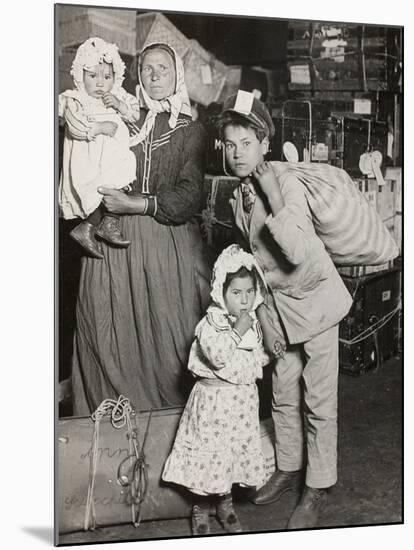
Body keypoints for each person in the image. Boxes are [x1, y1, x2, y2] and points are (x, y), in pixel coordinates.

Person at [217, 91, 353, 530]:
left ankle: (318, 485)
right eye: (230, 144)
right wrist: (261, 319)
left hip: (315, 303)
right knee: (281, 392)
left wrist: (273, 193)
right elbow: (253, 264)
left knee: (318, 399)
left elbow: (294, 250)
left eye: (247, 143)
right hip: (278, 310)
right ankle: (290, 466)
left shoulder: (285, 181)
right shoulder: (237, 194)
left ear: (265, 144)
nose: (238, 154)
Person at [71, 42, 210, 415]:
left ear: (177, 74)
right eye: (146, 68)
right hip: (111, 244)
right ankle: (107, 434)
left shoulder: (190, 129)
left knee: (166, 343)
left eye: (162, 68)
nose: (153, 75)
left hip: (163, 243)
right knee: (106, 334)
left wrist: (135, 203)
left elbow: (188, 197)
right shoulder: (121, 119)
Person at [162, 244, 271, 536]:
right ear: (221, 293)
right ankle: (200, 505)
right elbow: (219, 355)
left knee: (231, 454)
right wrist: (237, 331)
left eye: (249, 292)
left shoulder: (252, 321)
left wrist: (265, 350)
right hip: (213, 403)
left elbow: (255, 358)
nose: (244, 300)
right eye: (237, 293)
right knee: (210, 454)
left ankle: (225, 503)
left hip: (240, 403)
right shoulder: (211, 323)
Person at [59, 37, 141, 258]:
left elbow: (134, 113)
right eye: (92, 76)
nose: (100, 83)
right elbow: (75, 126)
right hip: (90, 158)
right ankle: (88, 225)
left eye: (107, 77)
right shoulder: (76, 99)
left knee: (122, 180)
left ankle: (105, 224)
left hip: (114, 156)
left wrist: (120, 105)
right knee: (97, 189)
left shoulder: (118, 94)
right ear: (79, 75)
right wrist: (99, 127)